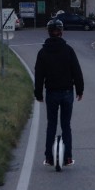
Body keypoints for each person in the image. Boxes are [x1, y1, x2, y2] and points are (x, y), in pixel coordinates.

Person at [34, 18, 84, 166]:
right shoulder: (68, 50)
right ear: (61, 32)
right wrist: (79, 90)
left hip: (51, 93)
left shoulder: (43, 52)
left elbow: (39, 75)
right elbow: (77, 72)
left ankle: (49, 157)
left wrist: (38, 93)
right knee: (66, 125)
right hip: (67, 92)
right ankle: (67, 157)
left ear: (49, 32)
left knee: (51, 124)